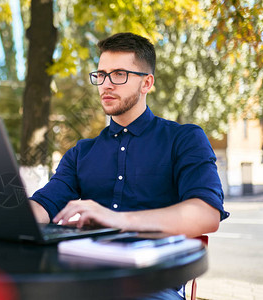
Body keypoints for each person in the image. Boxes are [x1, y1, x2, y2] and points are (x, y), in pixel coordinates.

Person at [28, 32, 229, 299]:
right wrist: (1, 218)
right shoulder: (81, 152)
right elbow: (45, 204)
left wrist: (119, 220)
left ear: (146, 83)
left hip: (152, 285)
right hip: (83, 278)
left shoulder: (184, 139)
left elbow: (206, 214)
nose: (106, 85)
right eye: (100, 75)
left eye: (119, 74)